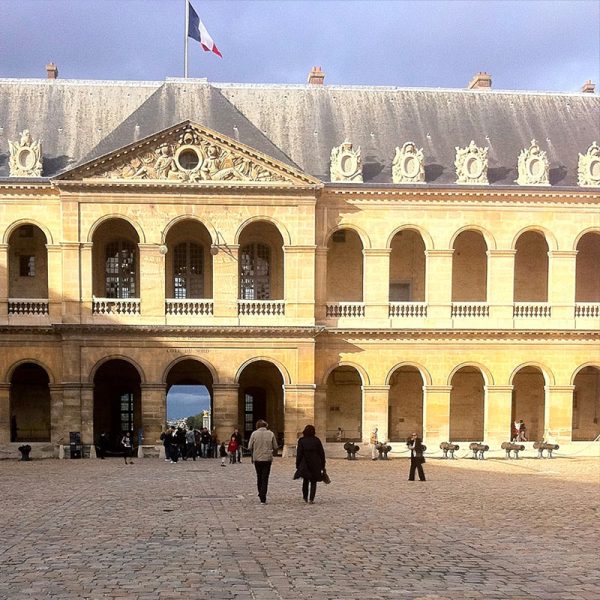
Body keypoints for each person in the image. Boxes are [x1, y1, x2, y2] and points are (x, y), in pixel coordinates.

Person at [247, 419, 278, 504]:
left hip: (257, 458)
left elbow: (249, 446)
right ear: (266, 426)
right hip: (267, 458)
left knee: (259, 476)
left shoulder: (254, 433)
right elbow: (275, 446)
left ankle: (260, 493)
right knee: (265, 477)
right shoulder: (271, 433)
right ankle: (263, 496)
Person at [295, 425, 326, 504]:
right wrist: (323, 464)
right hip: (315, 462)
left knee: (305, 480)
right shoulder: (316, 440)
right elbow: (321, 453)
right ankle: (311, 499)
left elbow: (299, 454)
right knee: (313, 481)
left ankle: (305, 497)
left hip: (305, 462)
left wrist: (298, 464)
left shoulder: (301, 440)